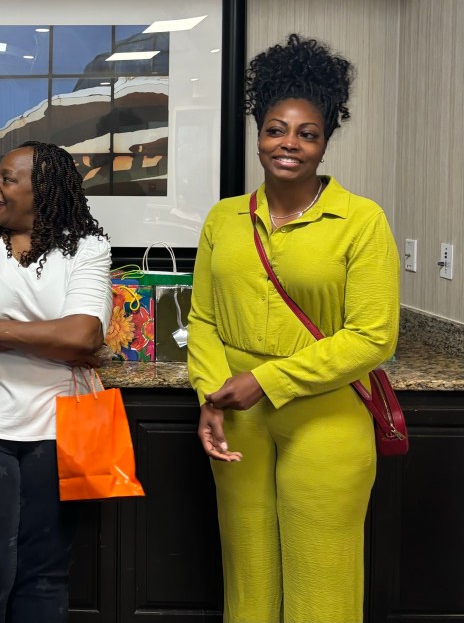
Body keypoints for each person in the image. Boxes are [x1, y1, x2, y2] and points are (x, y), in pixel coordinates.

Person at [186, 34, 399, 623]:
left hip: (326, 417)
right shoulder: (224, 218)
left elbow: (373, 336)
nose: (289, 143)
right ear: (258, 135)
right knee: (248, 582)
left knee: (321, 589)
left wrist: (266, 381)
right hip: (235, 418)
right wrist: (210, 396)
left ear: (325, 143)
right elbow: (203, 318)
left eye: (307, 134)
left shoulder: (361, 220)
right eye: (276, 130)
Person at [0, 141, 112, 622]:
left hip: (57, 431)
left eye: (7, 179)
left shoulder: (88, 247)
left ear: (43, 190)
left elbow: (84, 335)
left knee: (44, 579)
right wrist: (53, 338)